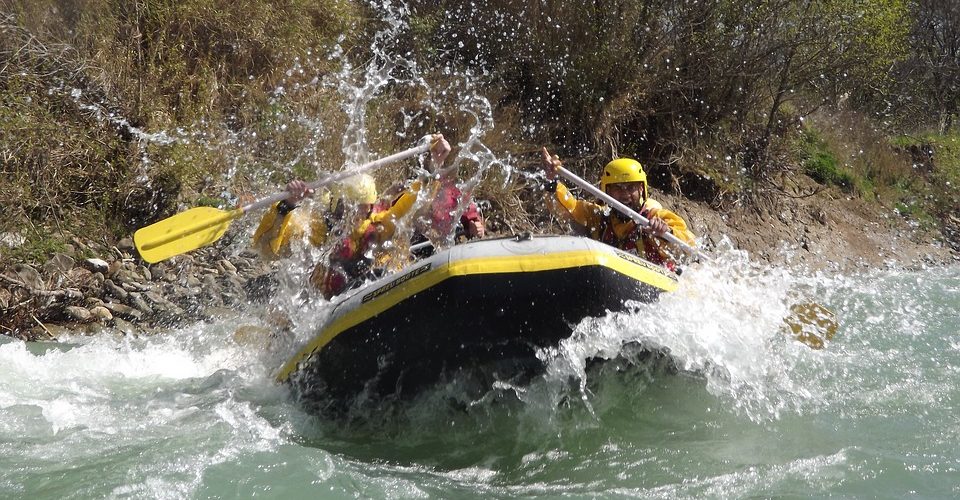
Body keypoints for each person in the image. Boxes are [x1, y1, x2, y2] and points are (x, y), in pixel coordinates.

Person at [538, 147, 695, 271]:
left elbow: (689, 244)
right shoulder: (598, 217)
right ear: (607, 191)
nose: (625, 194)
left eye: (631, 187)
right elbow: (568, 207)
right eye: (618, 188)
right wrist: (552, 182)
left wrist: (665, 233)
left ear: (641, 189)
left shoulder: (657, 217)